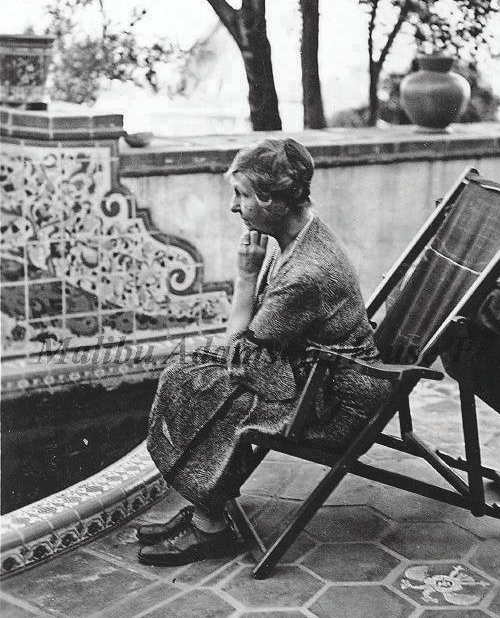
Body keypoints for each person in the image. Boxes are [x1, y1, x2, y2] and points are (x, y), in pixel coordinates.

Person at [138, 138, 389, 566]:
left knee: (207, 387)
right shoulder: (300, 236)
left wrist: (245, 274)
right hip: (315, 374)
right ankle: (206, 504)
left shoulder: (305, 273)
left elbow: (239, 351)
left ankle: (209, 524)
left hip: (334, 403)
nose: (234, 206)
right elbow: (251, 344)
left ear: (273, 200)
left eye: (242, 195)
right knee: (187, 371)